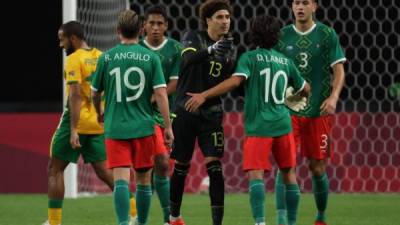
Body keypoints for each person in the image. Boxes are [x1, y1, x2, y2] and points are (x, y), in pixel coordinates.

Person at [185, 14, 310, 225]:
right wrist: (294, 97)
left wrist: (205, 94)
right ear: (276, 36)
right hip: (282, 124)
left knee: (256, 175)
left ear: (254, 34)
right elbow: (306, 89)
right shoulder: (285, 62)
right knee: (289, 174)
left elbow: (234, 83)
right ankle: (292, 222)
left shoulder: (249, 58)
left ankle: (260, 222)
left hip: (259, 127)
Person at [43, 21, 136, 225]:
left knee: (55, 169)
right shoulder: (102, 56)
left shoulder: (74, 59)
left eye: (62, 40)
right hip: (98, 122)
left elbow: (75, 95)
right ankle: (134, 213)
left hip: (75, 122)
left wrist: (74, 130)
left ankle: (54, 222)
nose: (61, 45)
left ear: (73, 38)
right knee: (106, 173)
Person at [91, 10, 174, 225]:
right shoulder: (151, 57)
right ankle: (142, 222)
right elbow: (161, 94)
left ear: (117, 30)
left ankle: (122, 223)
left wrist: (99, 111)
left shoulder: (106, 58)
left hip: (116, 127)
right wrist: (167, 126)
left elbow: (94, 92)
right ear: (140, 29)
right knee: (144, 181)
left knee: (121, 180)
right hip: (144, 127)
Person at [274, 1, 346, 225]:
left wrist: (333, 97)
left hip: (318, 111)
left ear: (314, 6)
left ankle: (321, 217)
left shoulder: (326, 34)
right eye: (296, 2)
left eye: (305, 2)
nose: (300, 7)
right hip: (289, 111)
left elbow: (339, 70)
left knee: (317, 167)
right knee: (286, 165)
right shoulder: (281, 36)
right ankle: (282, 218)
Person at [168, 0, 235, 225]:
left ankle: (217, 223)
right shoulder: (193, 36)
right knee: (181, 165)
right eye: (219, 17)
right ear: (208, 20)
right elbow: (187, 60)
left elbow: (228, 82)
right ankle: (173, 218)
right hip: (185, 111)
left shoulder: (230, 48)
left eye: (227, 17)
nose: (225, 21)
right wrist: (211, 50)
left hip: (211, 114)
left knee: (214, 166)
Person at [138, 6, 183, 225]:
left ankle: (167, 218)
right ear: (143, 25)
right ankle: (157, 218)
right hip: (139, 115)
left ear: (166, 26)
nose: (155, 28)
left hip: (166, 114)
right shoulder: (135, 48)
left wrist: (157, 95)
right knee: (151, 167)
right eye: (151, 23)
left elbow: (175, 82)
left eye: (160, 24)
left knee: (162, 164)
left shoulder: (175, 49)